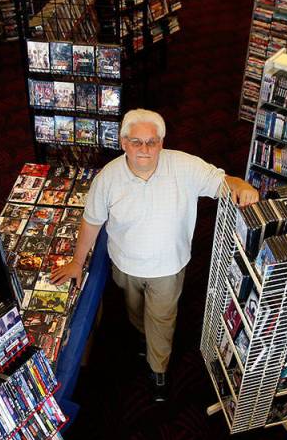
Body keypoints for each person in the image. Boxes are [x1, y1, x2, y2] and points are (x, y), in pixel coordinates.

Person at [50, 109, 259, 402]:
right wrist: (76, 262)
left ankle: (158, 369)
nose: (145, 149)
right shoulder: (107, 178)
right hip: (124, 265)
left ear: (161, 143)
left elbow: (221, 182)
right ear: (123, 143)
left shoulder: (184, 165)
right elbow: (92, 221)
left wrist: (241, 185)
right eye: (137, 142)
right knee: (134, 310)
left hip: (167, 268)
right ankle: (143, 335)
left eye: (152, 142)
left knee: (161, 319)